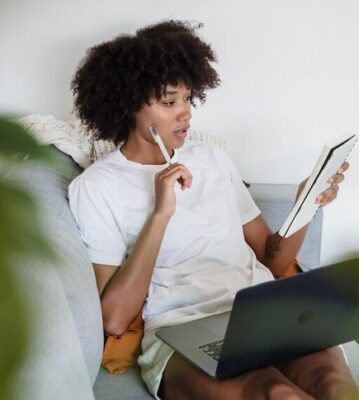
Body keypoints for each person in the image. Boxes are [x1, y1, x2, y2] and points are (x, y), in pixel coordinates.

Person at [68, 20, 358, 400]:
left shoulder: (213, 158)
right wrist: (161, 215)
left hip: (259, 311)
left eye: (188, 98)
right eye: (169, 102)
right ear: (128, 107)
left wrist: (307, 202)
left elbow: (271, 258)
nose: (185, 113)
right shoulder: (96, 187)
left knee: (334, 385)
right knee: (274, 393)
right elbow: (115, 317)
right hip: (180, 328)